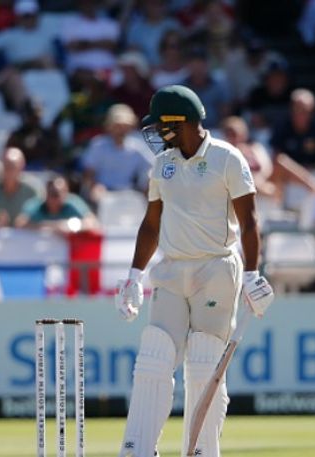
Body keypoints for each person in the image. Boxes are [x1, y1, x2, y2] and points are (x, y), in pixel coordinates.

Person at [115, 85, 275, 457]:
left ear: (180, 122)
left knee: (204, 362)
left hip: (215, 268)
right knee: (154, 357)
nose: (157, 132)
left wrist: (252, 275)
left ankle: (201, 451)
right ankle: (138, 450)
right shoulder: (163, 163)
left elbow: (250, 222)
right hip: (172, 269)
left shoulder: (226, 158)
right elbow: (151, 223)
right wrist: (135, 275)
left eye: (161, 125)